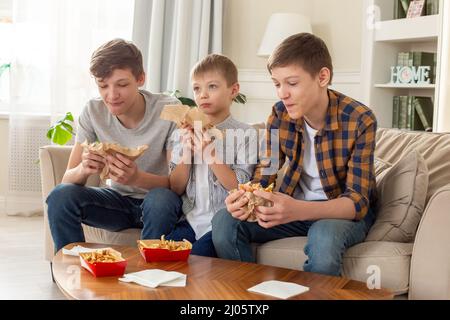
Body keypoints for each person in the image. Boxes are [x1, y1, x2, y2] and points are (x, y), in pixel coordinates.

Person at [211, 33, 378, 276]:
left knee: (324, 237)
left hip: (339, 214)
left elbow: (357, 202)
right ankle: (250, 297)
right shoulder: (280, 115)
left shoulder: (360, 119)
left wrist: (298, 209)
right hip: (292, 208)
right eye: (276, 84)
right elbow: (266, 173)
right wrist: (244, 198)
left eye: (291, 83)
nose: (282, 93)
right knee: (224, 222)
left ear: (322, 77)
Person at [46, 39, 180, 252]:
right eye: (103, 85)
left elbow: (177, 185)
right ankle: (70, 271)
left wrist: (137, 178)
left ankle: (151, 275)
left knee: (161, 199)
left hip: (158, 203)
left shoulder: (169, 109)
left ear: (141, 78)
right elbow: (67, 179)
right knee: (61, 196)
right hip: (116, 203)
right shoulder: (93, 111)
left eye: (122, 84)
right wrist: (84, 168)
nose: (111, 95)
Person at [142, 54, 257, 257]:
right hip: (190, 221)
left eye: (212, 86)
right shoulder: (181, 132)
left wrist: (209, 154)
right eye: (197, 88)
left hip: (220, 224)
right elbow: (176, 187)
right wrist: (187, 151)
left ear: (233, 90)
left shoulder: (245, 134)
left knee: (194, 261)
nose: (203, 94)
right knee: (158, 256)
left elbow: (239, 187)